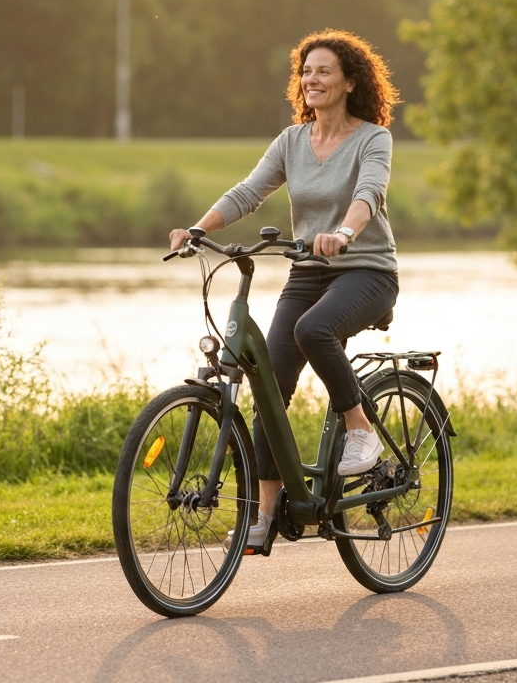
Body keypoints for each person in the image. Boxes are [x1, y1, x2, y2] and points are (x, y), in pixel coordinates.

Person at [169, 29, 401, 548]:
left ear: (348, 82)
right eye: (306, 71)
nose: (312, 79)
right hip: (308, 270)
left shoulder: (372, 138)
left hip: (366, 271)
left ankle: (359, 429)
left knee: (312, 328)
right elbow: (250, 191)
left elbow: (370, 191)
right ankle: (266, 512)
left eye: (324, 71)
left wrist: (344, 232)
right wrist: (200, 229)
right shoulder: (292, 140)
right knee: (267, 384)